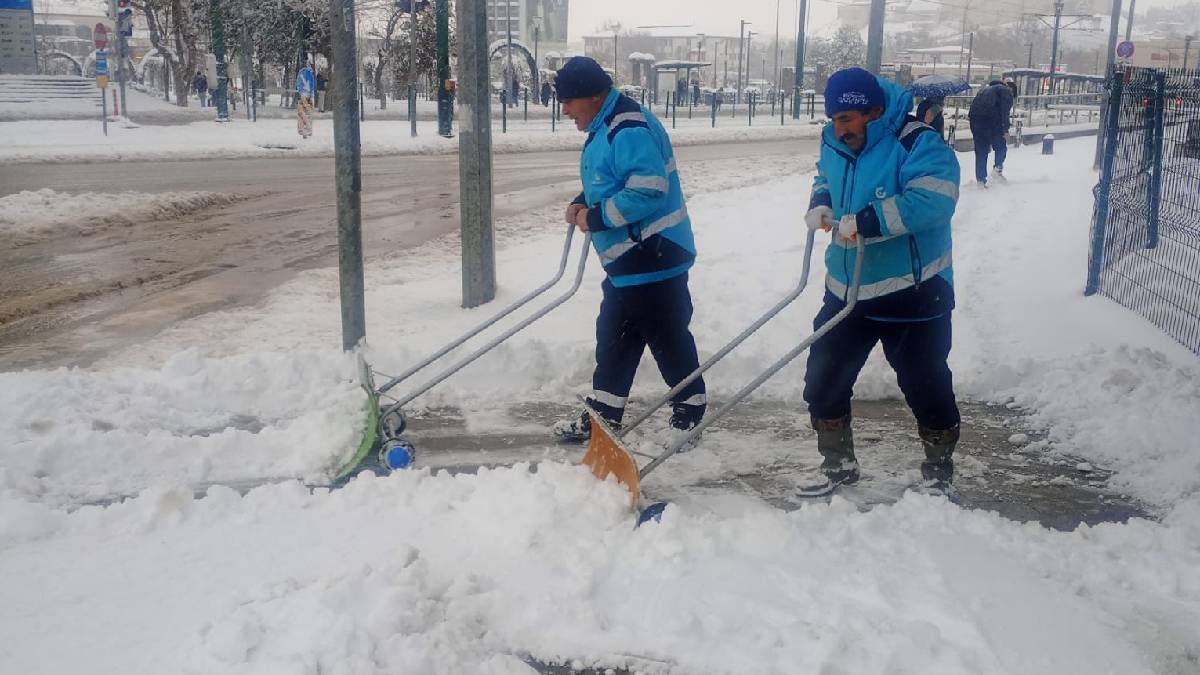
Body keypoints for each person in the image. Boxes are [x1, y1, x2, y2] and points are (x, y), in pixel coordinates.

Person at [798, 67, 962, 496]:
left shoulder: (916, 142)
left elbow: (934, 200)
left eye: (847, 119)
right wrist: (821, 202)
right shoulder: (832, 139)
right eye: (833, 118)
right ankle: (838, 467)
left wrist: (868, 221)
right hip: (847, 286)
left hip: (913, 288)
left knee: (925, 383)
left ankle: (939, 468)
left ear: (873, 112)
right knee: (823, 379)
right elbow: (825, 176)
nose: (839, 128)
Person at [550, 56, 707, 449]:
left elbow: (648, 189)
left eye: (568, 101)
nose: (565, 110)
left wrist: (597, 217)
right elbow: (612, 179)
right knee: (615, 335)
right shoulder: (607, 123)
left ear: (591, 95)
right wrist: (583, 201)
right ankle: (604, 415)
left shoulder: (628, 127)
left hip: (655, 253)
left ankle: (691, 411)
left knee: (667, 335)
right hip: (630, 258)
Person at [967, 80, 1014, 186]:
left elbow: (972, 111)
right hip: (992, 123)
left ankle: (980, 180)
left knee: (981, 152)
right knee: (1001, 147)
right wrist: (1005, 130)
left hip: (976, 123)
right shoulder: (1006, 91)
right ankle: (997, 169)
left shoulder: (982, 91)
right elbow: (1004, 112)